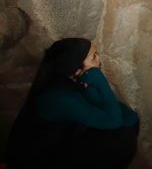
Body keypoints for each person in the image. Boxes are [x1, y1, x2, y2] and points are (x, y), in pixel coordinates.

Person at [6, 37, 139, 168]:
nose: (99, 60)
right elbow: (113, 121)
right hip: (38, 161)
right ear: (76, 69)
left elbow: (106, 107)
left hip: (61, 141)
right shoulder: (59, 98)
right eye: (93, 57)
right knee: (123, 138)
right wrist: (100, 81)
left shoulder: (70, 79)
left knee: (129, 122)